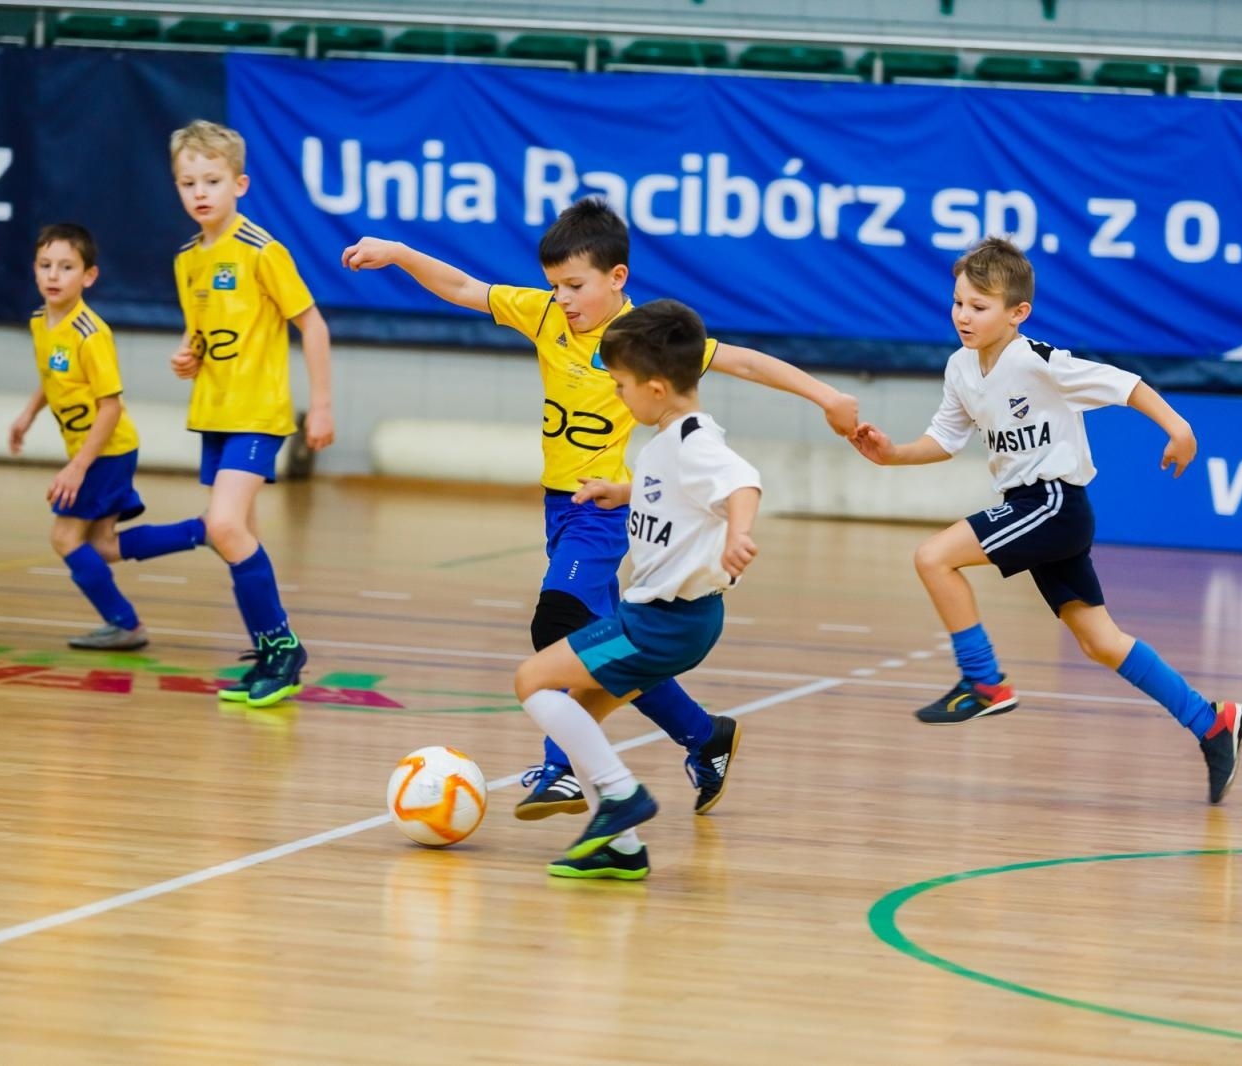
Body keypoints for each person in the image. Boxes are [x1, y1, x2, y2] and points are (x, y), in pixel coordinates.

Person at [341, 198, 857, 819]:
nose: (562, 297)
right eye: (555, 284)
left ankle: (563, 770)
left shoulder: (643, 341)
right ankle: (704, 735)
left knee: (556, 629)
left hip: (604, 509)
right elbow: (462, 286)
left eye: (576, 285)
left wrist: (826, 395)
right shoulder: (543, 315)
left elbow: (743, 360)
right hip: (559, 508)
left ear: (617, 279)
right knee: (617, 647)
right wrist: (398, 253)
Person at [849, 237, 1242, 804]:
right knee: (1102, 643)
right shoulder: (961, 368)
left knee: (932, 557)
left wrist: (1178, 427)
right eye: (958, 302)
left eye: (979, 307)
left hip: (1053, 503)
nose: (964, 315)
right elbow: (944, 439)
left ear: (1018, 313)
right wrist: (892, 454)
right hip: (1036, 511)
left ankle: (984, 681)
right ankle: (1212, 723)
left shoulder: (1036, 360)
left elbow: (1123, 384)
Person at [513, 299, 762, 879]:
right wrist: (620, 493)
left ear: (654, 388)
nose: (617, 394)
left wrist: (739, 535)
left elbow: (741, 482)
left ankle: (623, 797)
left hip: (660, 624)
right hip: (664, 620)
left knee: (532, 682)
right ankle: (619, 847)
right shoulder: (665, 442)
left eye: (620, 384)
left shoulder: (695, 440)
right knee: (580, 716)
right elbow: (671, 490)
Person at [167, 120, 336, 708]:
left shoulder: (263, 250)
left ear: (239, 183)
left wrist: (320, 404)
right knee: (240, 535)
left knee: (223, 526)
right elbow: (199, 336)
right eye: (188, 182)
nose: (200, 192)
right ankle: (270, 654)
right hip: (212, 414)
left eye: (212, 179)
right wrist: (187, 357)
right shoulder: (187, 260)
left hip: (259, 414)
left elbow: (311, 324)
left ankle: (284, 647)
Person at [9, 223, 204, 651]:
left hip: (107, 450)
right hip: (98, 453)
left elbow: (110, 407)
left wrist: (78, 467)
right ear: (34, 270)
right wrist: (28, 414)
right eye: (45, 265)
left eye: (66, 267)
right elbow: (53, 378)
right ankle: (201, 531)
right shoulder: (41, 322)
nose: (54, 275)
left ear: (88, 276)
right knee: (103, 546)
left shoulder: (91, 334)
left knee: (64, 538)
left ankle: (126, 624)